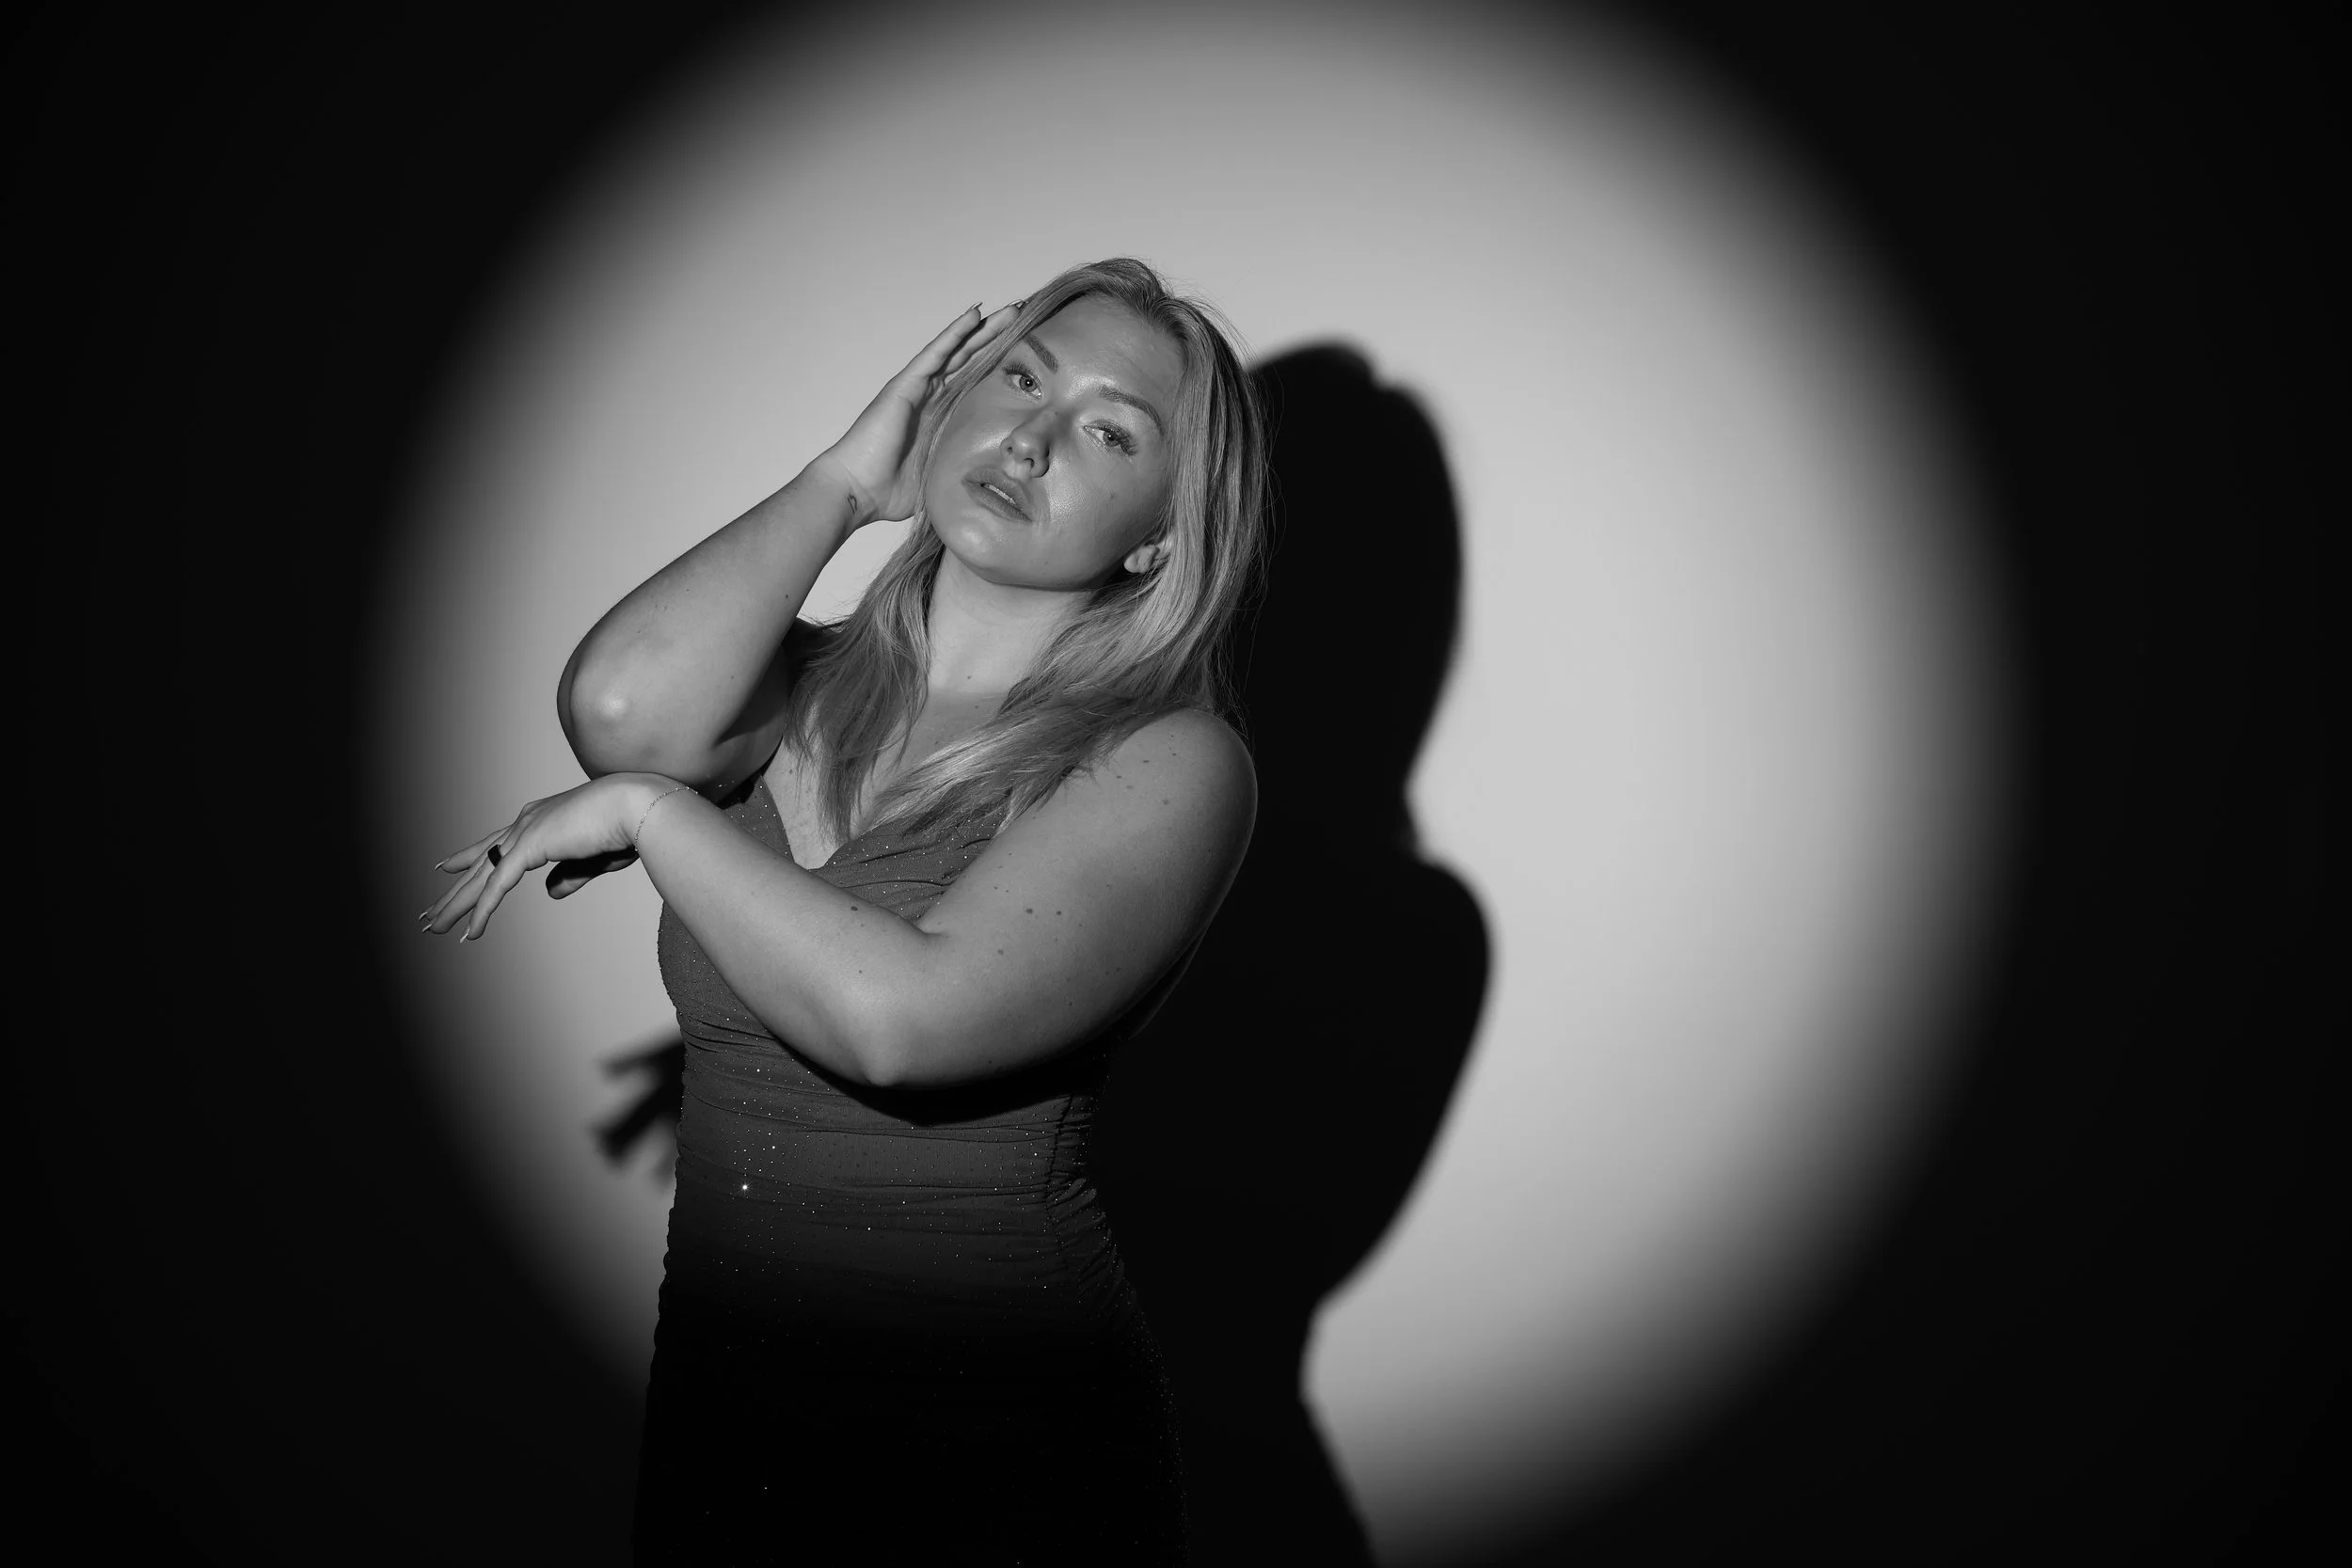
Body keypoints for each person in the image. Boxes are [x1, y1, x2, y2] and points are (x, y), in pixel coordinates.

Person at [420, 257, 1265, 1564]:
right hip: (726, 1420)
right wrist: (843, 488)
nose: (1029, 438)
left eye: (1108, 430)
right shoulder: (793, 687)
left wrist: (657, 818)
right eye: (1019, 378)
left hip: (994, 1453)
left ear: (1158, 531)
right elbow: (621, 712)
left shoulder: (1171, 760)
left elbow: (899, 1021)